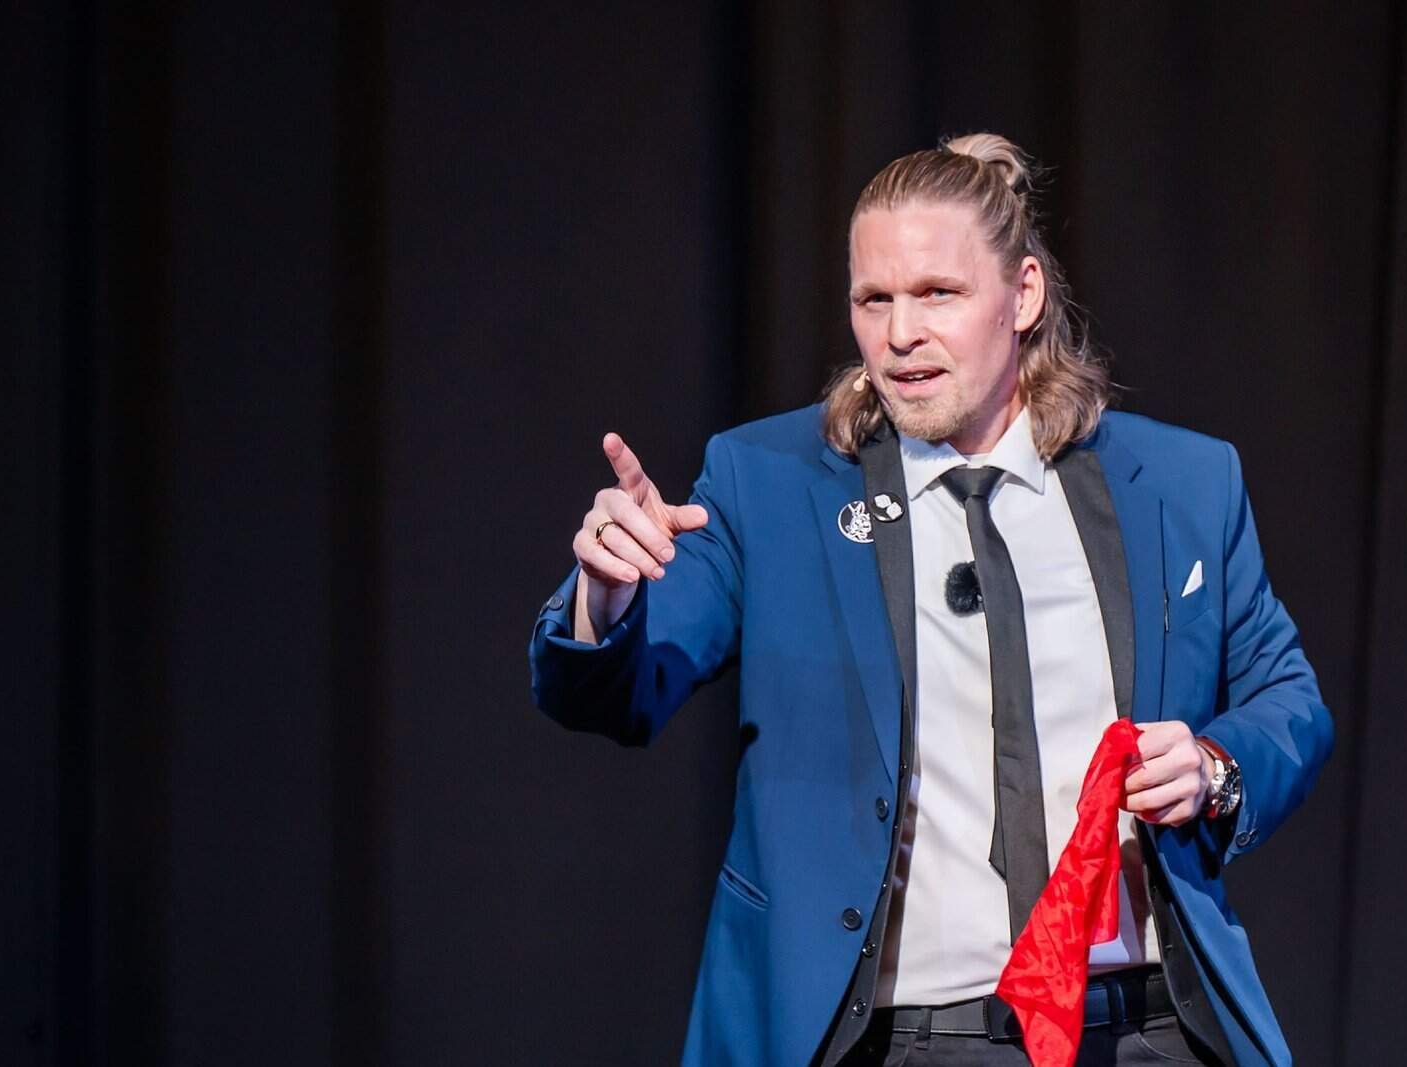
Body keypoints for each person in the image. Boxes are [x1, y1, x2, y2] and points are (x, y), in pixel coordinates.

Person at [529, 133, 1332, 1066]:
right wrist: (605, 595)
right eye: (874, 299)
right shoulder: (771, 487)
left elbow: (1291, 702)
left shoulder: (1181, 483)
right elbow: (619, 688)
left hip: (1145, 1029)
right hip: (906, 1038)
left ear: (1022, 295)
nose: (899, 333)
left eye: (937, 295)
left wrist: (1212, 767)